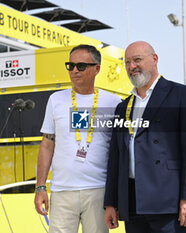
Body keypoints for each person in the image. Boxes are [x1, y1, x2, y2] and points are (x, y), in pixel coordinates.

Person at [104, 41, 186, 233]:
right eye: (127, 62)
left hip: (169, 201)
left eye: (137, 60)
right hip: (132, 202)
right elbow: (116, 157)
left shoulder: (182, 95)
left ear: (154, 59)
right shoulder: (122, 107)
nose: (131, 66)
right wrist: (111, 202)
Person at [34, 44, 121, 233]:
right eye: (70, 65)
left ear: (97, 69)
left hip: (98, 191)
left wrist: (115, 197)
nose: (74, 70)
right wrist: (40, 186)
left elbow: (119, 150)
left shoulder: (113, 103)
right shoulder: (55, 100)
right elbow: (47, 145)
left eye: (81, 66)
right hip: (62, 191)